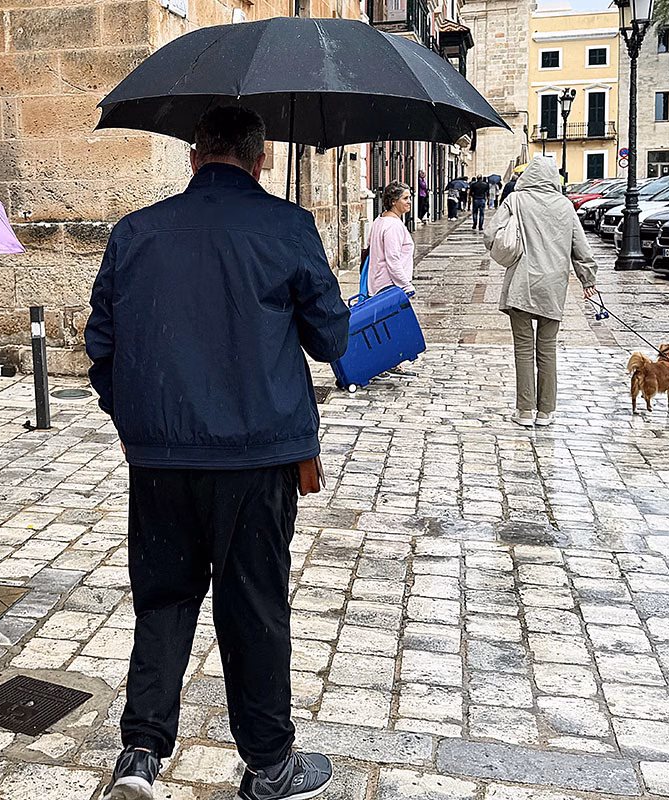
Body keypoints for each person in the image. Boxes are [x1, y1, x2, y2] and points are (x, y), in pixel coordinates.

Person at [85, 106, 348, 800]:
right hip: (258, 460)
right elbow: (332, 339)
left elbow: (101, 346)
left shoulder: (135, 232)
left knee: (164, 601)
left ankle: (141, 753)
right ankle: (269, 765)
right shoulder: (288, 226)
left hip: (162, 460)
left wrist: (134, 420)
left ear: (194, 156)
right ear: (261, 160)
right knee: (253, 606)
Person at [484, 156, 597, 428]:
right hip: (553, 286)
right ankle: (546, 411)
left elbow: (490, 234)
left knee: (523, 350)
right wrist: (587, 279)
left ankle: (524, 411)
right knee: (547, 349)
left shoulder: (515, 200)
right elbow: (580, 247)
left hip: (521, 283)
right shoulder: (565, 205)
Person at [365, 181, 416, 298]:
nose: (409, 201)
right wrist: (406, 285)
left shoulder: (379, 220)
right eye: (405, 198)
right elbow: (393, 259)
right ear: (393, 201)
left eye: (409, 198)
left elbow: (370, 245)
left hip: (377, 283)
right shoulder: (393, 225)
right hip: (390, 285)